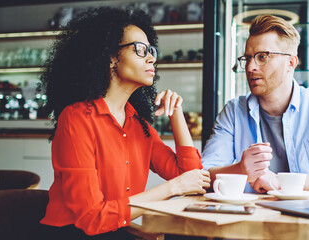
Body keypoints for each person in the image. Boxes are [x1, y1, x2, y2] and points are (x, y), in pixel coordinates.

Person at [39, 7, 210, 239]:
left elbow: (191, 177)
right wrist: (173, 188)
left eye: (152, 50)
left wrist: (176, 113)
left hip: (114, 231)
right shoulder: (76, 118)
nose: (151, 58)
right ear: (111, 57)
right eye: (140, 50)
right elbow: (92, 218)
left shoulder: (139, 125)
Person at [201, 14, 309, 196]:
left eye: (262, 57)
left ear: (290, 63)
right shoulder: (233, 111)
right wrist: (241, 168)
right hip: (252, 218)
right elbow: (204, 176)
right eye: (248, 58)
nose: (251, 67)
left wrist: (281, 182)